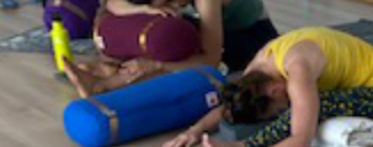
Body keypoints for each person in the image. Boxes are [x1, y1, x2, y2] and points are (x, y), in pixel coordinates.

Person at [161, 27, 373, 147]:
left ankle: (241, 146)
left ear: (275, 90)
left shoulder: (297, 69)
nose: (280, 112)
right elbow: (234, 101)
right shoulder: (258, 69)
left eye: (276, 109)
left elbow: (300, 142)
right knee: (305, 106)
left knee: (314, 105)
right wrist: (195, 130)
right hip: (353, 88)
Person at [61, 0, 278, 96]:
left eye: (173, 2)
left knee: (175, 38)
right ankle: (111, 72)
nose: (174, 6)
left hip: (253, 40)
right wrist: (143, 8)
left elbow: (211, 59)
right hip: (217, 30)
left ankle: (106, 84)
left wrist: (155, 64)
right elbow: (113, 3)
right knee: (160, 29)